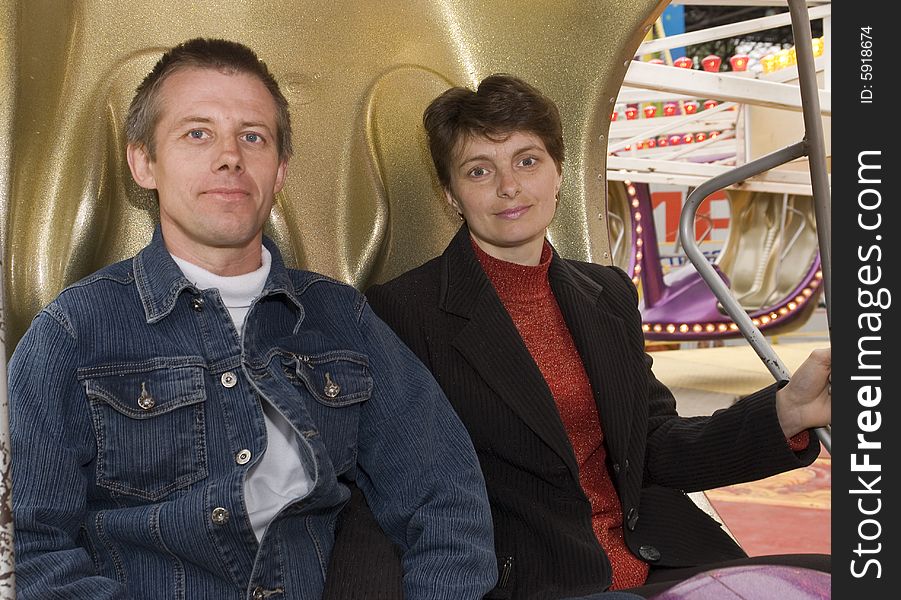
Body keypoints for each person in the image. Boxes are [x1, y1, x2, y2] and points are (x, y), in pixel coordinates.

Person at [7, 38, 498, 600]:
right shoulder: (72, 333)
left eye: (252, 137)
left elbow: (446, 499)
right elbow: (30, 550)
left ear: (281, 169)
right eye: (197, 133)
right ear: (143, 162)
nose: (230, 156)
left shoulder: (342, 320)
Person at [361, 74, 832, 599]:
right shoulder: (404, 311)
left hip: (662, 557)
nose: (509, 187)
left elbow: (656, 446)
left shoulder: (606, 293)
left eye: (527, 160)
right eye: (479, 170)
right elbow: (407, 490)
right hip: (537, 581)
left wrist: (788, 410)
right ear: (450, 194)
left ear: (559, 173)